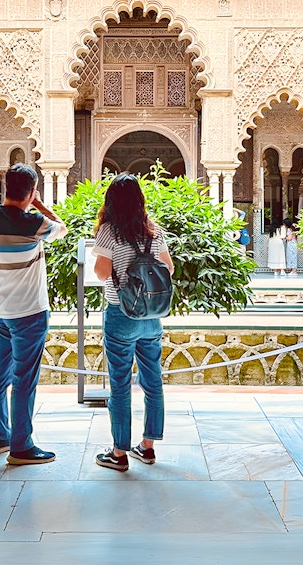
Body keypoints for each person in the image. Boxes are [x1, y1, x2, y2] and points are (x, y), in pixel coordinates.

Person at [0, 163, 67, 465]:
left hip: (1, 311)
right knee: (24, 380)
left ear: (6, 187)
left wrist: (30, 201)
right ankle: (21, 447)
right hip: (29, 312)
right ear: (30, 192)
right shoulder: (33, 223)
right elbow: (62, 228)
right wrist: (40, 204)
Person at [92, 173, 174, 472]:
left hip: (121, 314)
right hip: (152, 317)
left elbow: (101, 273)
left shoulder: (109, 231)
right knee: (153, 381)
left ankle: (118, 453)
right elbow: (169, 268)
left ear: (111, 200)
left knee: (120, 385)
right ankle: (148, 447)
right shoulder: (153, 231)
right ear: (140, 199)